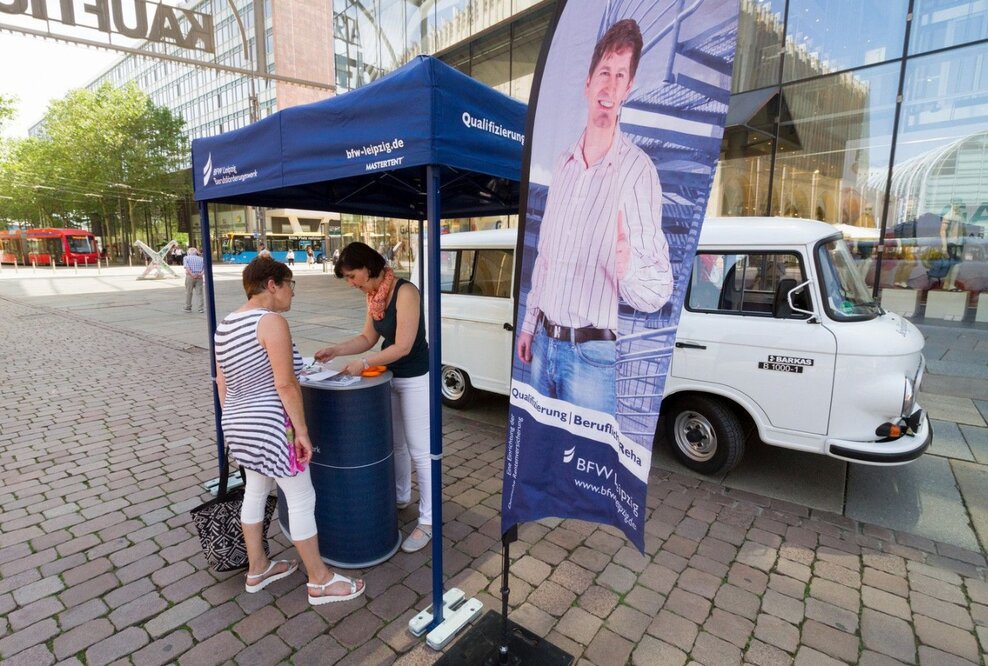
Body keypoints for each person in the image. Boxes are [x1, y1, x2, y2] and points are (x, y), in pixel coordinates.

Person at [515, 18, 672, 413]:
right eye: (604, 72)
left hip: (591, 358)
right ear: (588, 83)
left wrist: (627, 267)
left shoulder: (638, 171)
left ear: (628, 89)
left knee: (587, 469)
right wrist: (530, 324)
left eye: (620, 75)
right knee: (542, 464)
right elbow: (546, 259)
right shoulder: (563, 165)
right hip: (544, 343)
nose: (610, 84)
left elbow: (658, 290)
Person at [214, 256, 364, 604]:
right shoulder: (271, 322)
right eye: (290, 286)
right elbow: (285, 384)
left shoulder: (226, 323)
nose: (292, 295)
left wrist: (235, 419)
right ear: (272, 285)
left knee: (255, 489)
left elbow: (222, 381)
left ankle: (258, 569)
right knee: (300, 496)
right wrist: (302, 432)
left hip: (237, 422)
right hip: (271, 424)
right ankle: (320, 580)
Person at [314, 242, 432, 553]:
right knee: (396, 444)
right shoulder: (374, 295)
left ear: (369, 267)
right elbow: (369, 338)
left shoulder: (406, 292)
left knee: (421, 449)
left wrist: (365, 364)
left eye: (353, 276)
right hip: (388, 374)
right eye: (348, 278)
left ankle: (428, 521)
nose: (351, 283)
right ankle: (401, 496)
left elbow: (404, 346)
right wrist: (336, 350)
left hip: (415, 376)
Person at [183, 247, 205, 313]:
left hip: (190, 277)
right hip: (199, 277)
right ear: (196, 253)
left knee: (188, 292)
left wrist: (192, 274)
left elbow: (187, 267)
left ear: (189, 252)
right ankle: (200, 308)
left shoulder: (186, 258)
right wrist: (201, 274)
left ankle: (188, 307)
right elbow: (205, 267)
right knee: (199, 293)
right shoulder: (201, 259)